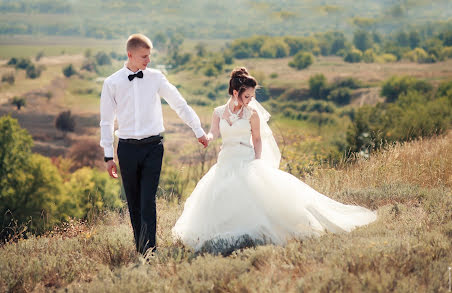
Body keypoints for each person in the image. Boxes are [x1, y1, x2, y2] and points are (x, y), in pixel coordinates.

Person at [172, 67, 377, 254]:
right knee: (220, 197)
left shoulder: (252, 114)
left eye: (252, 96)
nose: (251, 100)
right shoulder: (218, 112)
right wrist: (206, 138)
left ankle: (257, 234)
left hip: (246, 159)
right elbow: (214, 132)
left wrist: (258, 160)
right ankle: (226, 236)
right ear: (235, 93)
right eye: (247, 96)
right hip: (226, 161)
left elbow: (258, 139)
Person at [100, 33, 208, 255]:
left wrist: (198, 129)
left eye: (149, 56)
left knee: (147, 200)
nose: (148, 61)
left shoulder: (156, 77)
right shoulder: (111, 83)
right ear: (130, 55)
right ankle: (141, 250)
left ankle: (151, 252)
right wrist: (108, 156)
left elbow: (180, 104)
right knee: (134, 202)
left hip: (153, 147)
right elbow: (106, 121)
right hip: (127, 149)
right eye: (144, 57)